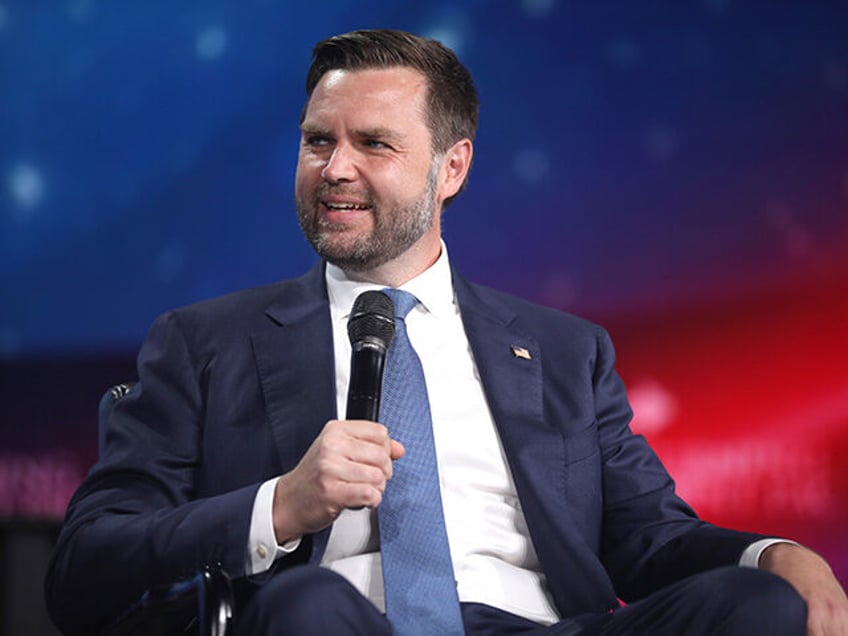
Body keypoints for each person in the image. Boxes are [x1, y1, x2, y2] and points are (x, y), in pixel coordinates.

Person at [45, 29, 848, 635]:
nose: (335, 168)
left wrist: (772, 554)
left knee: (756, 604)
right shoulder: (204, 342)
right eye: (318, 141)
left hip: (546, 623)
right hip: (338, 620)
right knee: (308, 604)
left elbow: (649, 538)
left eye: (374, 144)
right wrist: (279, 505)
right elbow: (84, 572)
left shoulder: (566, 351)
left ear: (451, 168)